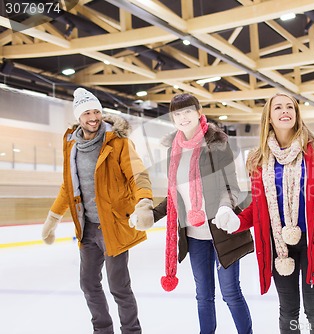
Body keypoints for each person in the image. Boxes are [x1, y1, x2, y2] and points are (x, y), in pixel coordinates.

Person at [215, 93, 314, 334]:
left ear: (296, 113)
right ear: (269, 118)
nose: (285, 111)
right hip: (279, 245)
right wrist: (236, 222)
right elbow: (258, 208)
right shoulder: (258, 159)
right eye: (278, 107)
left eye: (290, 107)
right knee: (288, 310)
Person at [41, 87, 154, 334]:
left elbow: (137, 174)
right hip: (87, 228)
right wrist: (52, 219)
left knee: (119, 287)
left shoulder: (118, 142)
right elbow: (68, 187)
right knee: (89, 284)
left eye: (96, 112)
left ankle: (131, 331)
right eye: (86, 113)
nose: (93, 117)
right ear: (78, 117)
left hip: (113, 225)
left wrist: (144, 202)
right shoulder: (72, 146)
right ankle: (102, 330)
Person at [149, 93, 254, 334]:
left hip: (222, 230)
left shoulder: (217, 143)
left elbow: (232, 187)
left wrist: (227, 207)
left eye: (187, 111)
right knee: (203, 296)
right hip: (194, 237)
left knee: (230, 293)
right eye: (177, 113)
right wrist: (154, 214)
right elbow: (176, 195)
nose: (183, 117)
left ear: (198, 112)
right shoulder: (172, 151)